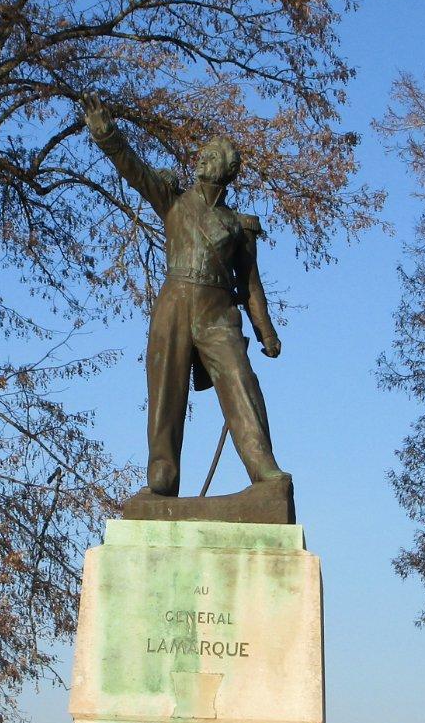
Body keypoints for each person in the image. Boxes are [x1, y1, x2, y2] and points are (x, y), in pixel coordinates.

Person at [82, 95, 288, 498]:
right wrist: (107, 136)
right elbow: (134, 171)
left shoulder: (237, 225)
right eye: (202, 154)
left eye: (211, 156)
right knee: (165, 393)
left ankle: (264, 469)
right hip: (174, 303)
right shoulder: (173, 201)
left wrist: (266, 332)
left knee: (240, 379)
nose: (201, 160)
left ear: (227, 170)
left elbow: (250, 285)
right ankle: (162, 475)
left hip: (217, 311)